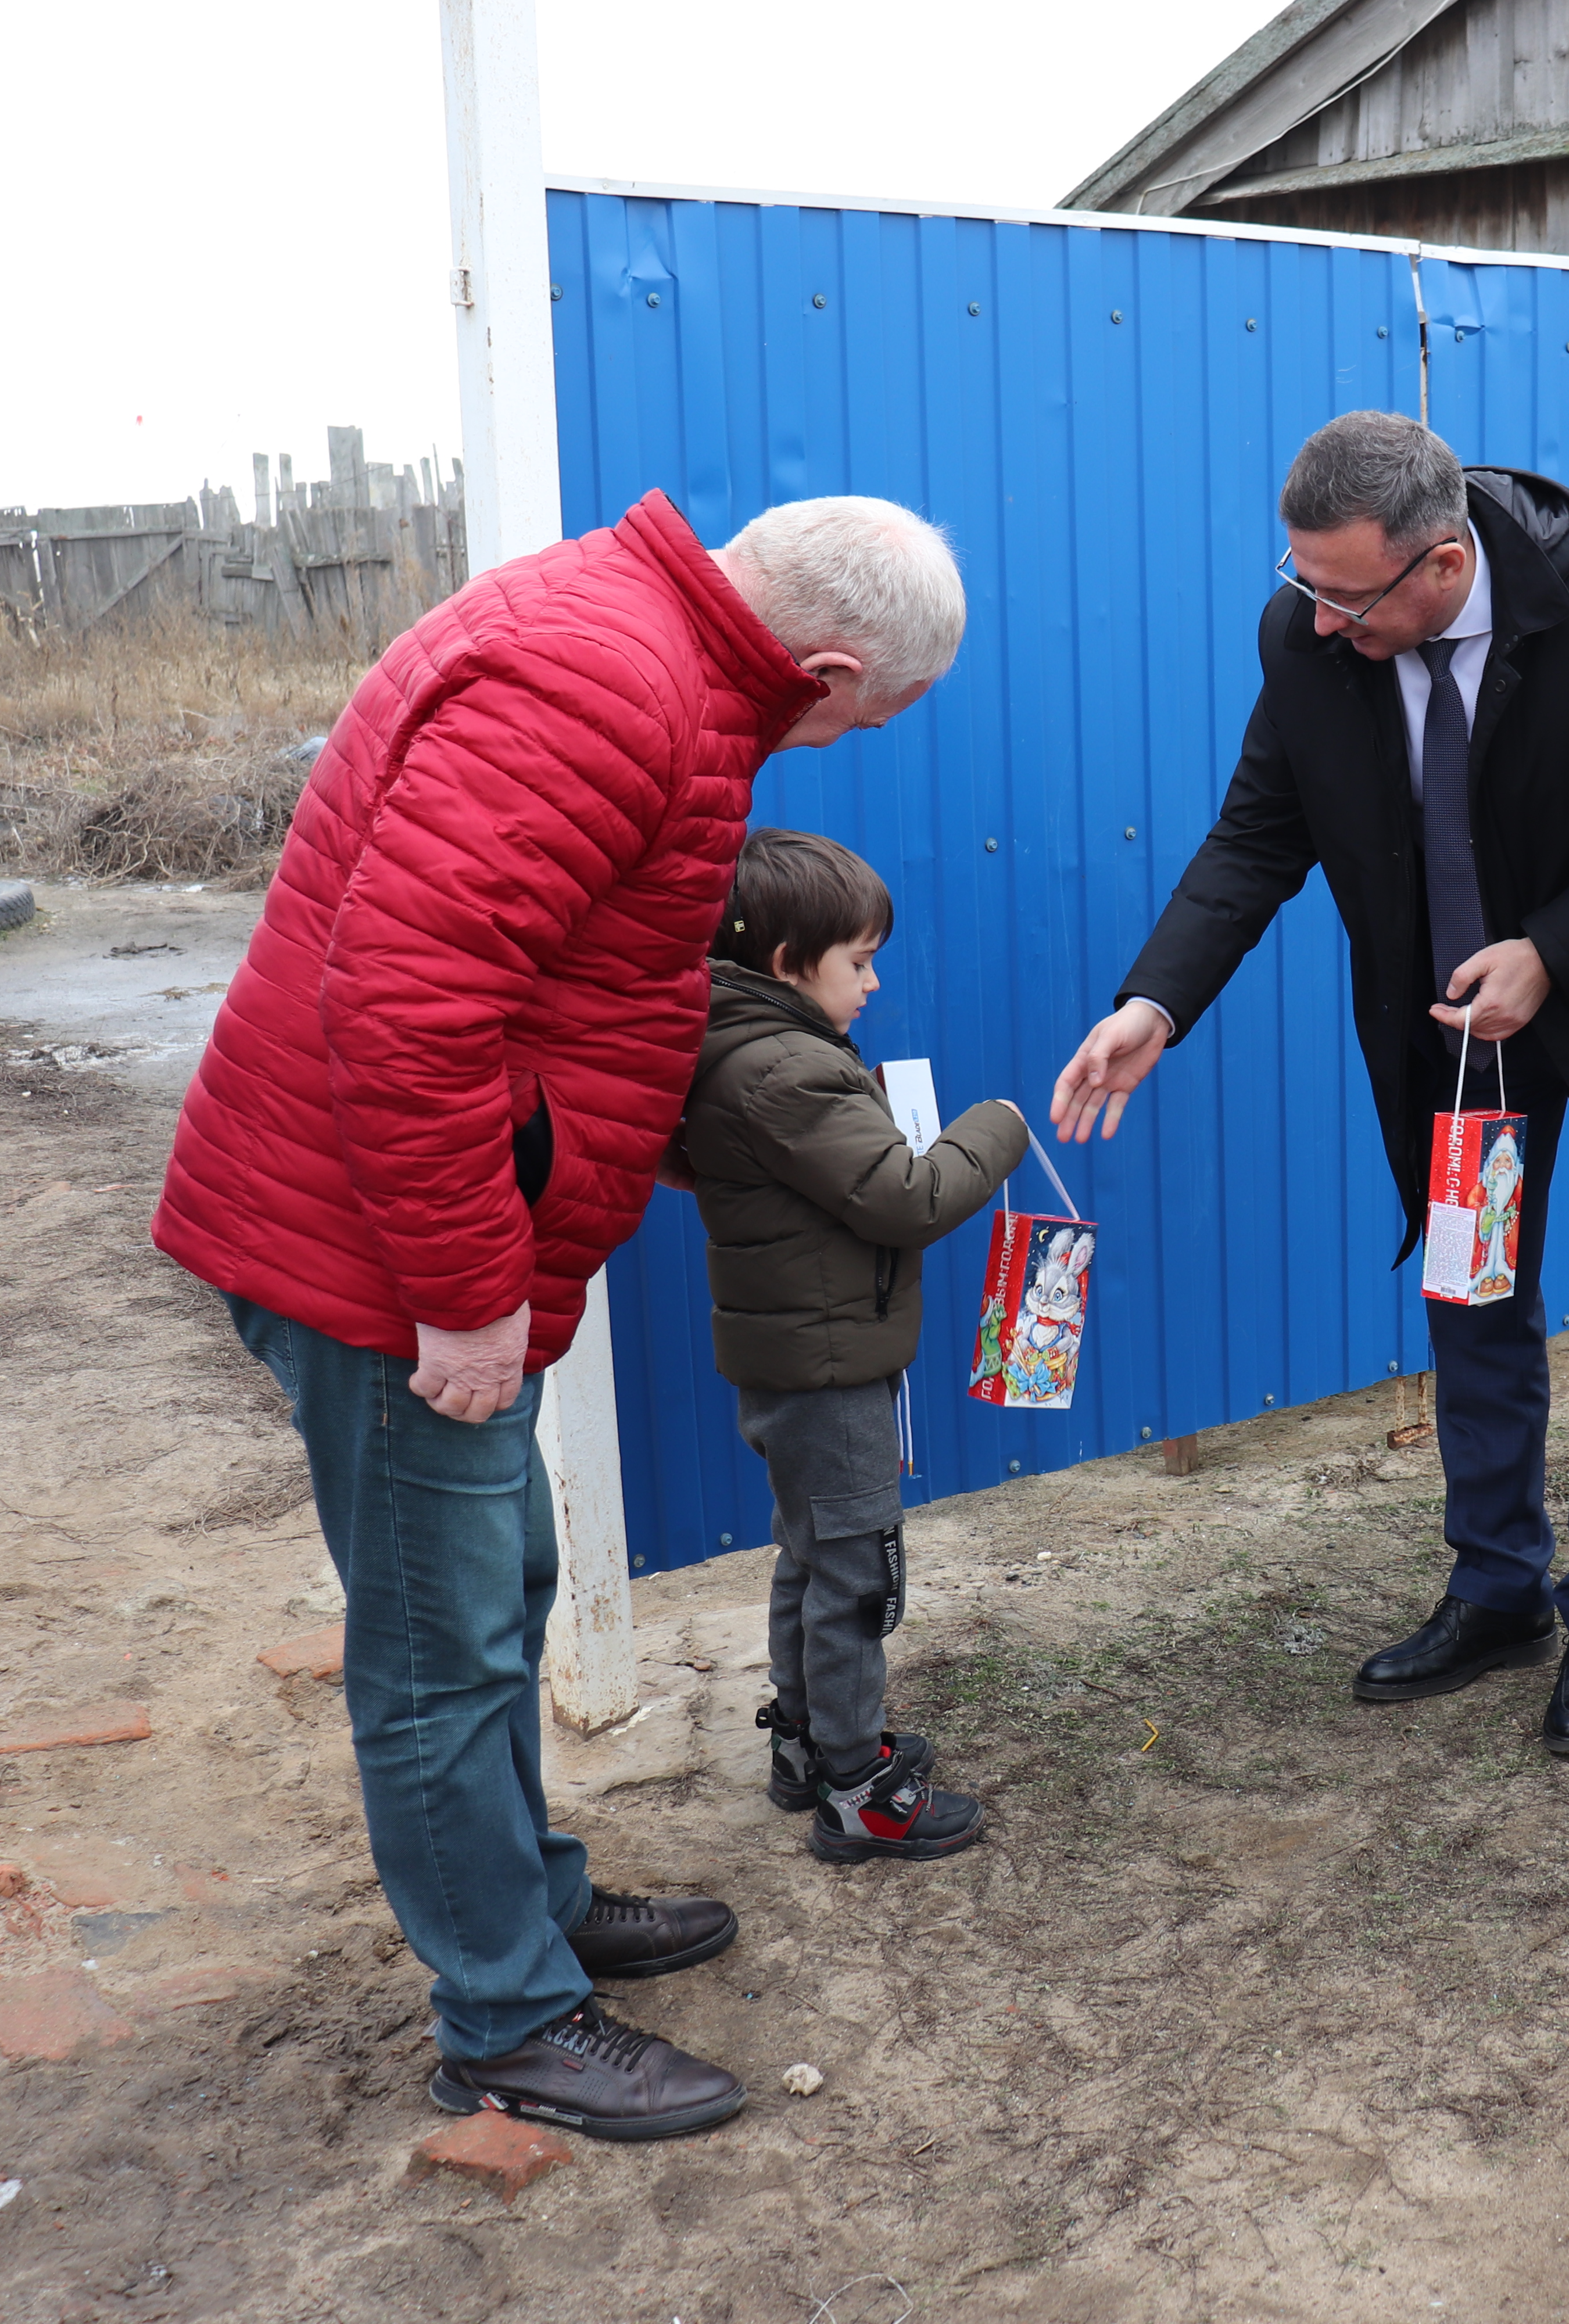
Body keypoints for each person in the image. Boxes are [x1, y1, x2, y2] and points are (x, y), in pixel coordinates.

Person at [154, 490, 966, 2141]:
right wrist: (462, 1304)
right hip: (385, 1263)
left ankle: (528, 1901)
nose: (842, 745)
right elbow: (405, 1008)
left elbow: (581, 984)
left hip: (434, 1239)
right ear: (817, 664)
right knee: (443, 1651)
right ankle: (511, 2018)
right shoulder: (605, 690)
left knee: (501, 1584)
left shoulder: (639, 639)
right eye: (863, 716)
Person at [1048, 412, 1569, 1758]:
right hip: (1456, 1034)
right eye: (1300, 580)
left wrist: (1554, 947)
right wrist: (1157, 1000)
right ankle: (1495, 1590)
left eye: (1343, 594)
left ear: (1441, 563)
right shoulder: (1306, 633)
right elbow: (1258, 833)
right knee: (1473, 1294)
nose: (1314, 620)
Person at [685, 830, 1025, 1867]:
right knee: (861, 1577)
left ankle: (805, 1739)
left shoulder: (744, 1051)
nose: (875, 983)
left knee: (812, 1553)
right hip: (828, 1373)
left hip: (796, 1359)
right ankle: (858, 1789)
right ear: (789, 963)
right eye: (860, 961)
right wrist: (997, 1128)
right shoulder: (788, 1071)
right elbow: (911, 1198)